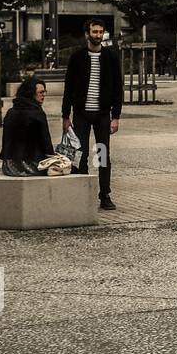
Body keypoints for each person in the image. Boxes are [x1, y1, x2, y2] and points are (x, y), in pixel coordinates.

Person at [62, 18, 123, 210]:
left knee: (102, 155)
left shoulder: (111, 57)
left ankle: (104, 194)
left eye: (100, 32)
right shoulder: (77, 57)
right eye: (94, 32)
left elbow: (117, 89)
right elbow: (69, 88)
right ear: (87, 34)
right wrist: (65, 115)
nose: (97, 35)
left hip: (103, 115)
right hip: (81, 114)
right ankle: (82, 194)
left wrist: (116, 117)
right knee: (80, 154)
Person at [0, 77, 55, 176]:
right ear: (31, 93)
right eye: (41, 92)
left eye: (44, 92)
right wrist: (53, 158)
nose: (44, 95)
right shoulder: (37, 113)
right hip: (30, 165)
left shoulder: (11, 112)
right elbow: (46, 143)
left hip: (9, 166)